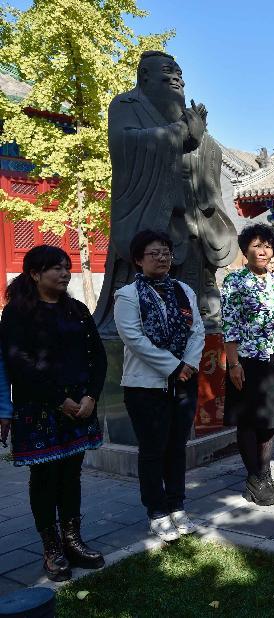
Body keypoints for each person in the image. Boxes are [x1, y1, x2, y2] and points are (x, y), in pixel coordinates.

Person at [94, 51, 238, 338]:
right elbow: (124, 144)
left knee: (192, 276)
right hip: (149, 209)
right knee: (150, 264)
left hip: (189, 210)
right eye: (168, 70)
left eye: (180, 73)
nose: (177, 78)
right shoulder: (126, 104)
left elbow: (206, 148)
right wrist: (180, 133)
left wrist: (201, 140)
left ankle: (195, 318)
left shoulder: (186, 115)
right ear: (144, 75)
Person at [1, 245, 107, 581]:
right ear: (35, 274)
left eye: (66, 267)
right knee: (45, 479)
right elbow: (20, 364)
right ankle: (52, 548)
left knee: (71, 476)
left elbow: (98, 356)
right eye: (55, 269)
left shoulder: (76, 310)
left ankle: (73, 540)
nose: (64, 274)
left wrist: (91, 395)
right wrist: (59, 400)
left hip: (80, 408)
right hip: (40, 411)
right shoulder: (18, 312)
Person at [115, 230, 205, 542]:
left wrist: (189, 365)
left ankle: (177, 505)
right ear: (138, 260)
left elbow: (197, 330)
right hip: (145, 387)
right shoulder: (127, 296)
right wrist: (174, 366)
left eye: (166, 251)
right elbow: (135, 339)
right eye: (154, 253)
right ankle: (156, 510)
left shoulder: (183, 290)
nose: (162, 257)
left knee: (176, 448)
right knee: (153, 450)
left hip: (183, 383)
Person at [222, 224, 274, 506]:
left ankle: (264, 474)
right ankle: (253, 478)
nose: (262, 251)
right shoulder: (234, 281)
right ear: (245, 249)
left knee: (269, 420)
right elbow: (229, 325)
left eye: (267, 246)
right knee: (249, 421)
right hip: (247, 360)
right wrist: (233, 363)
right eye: (256, 245)